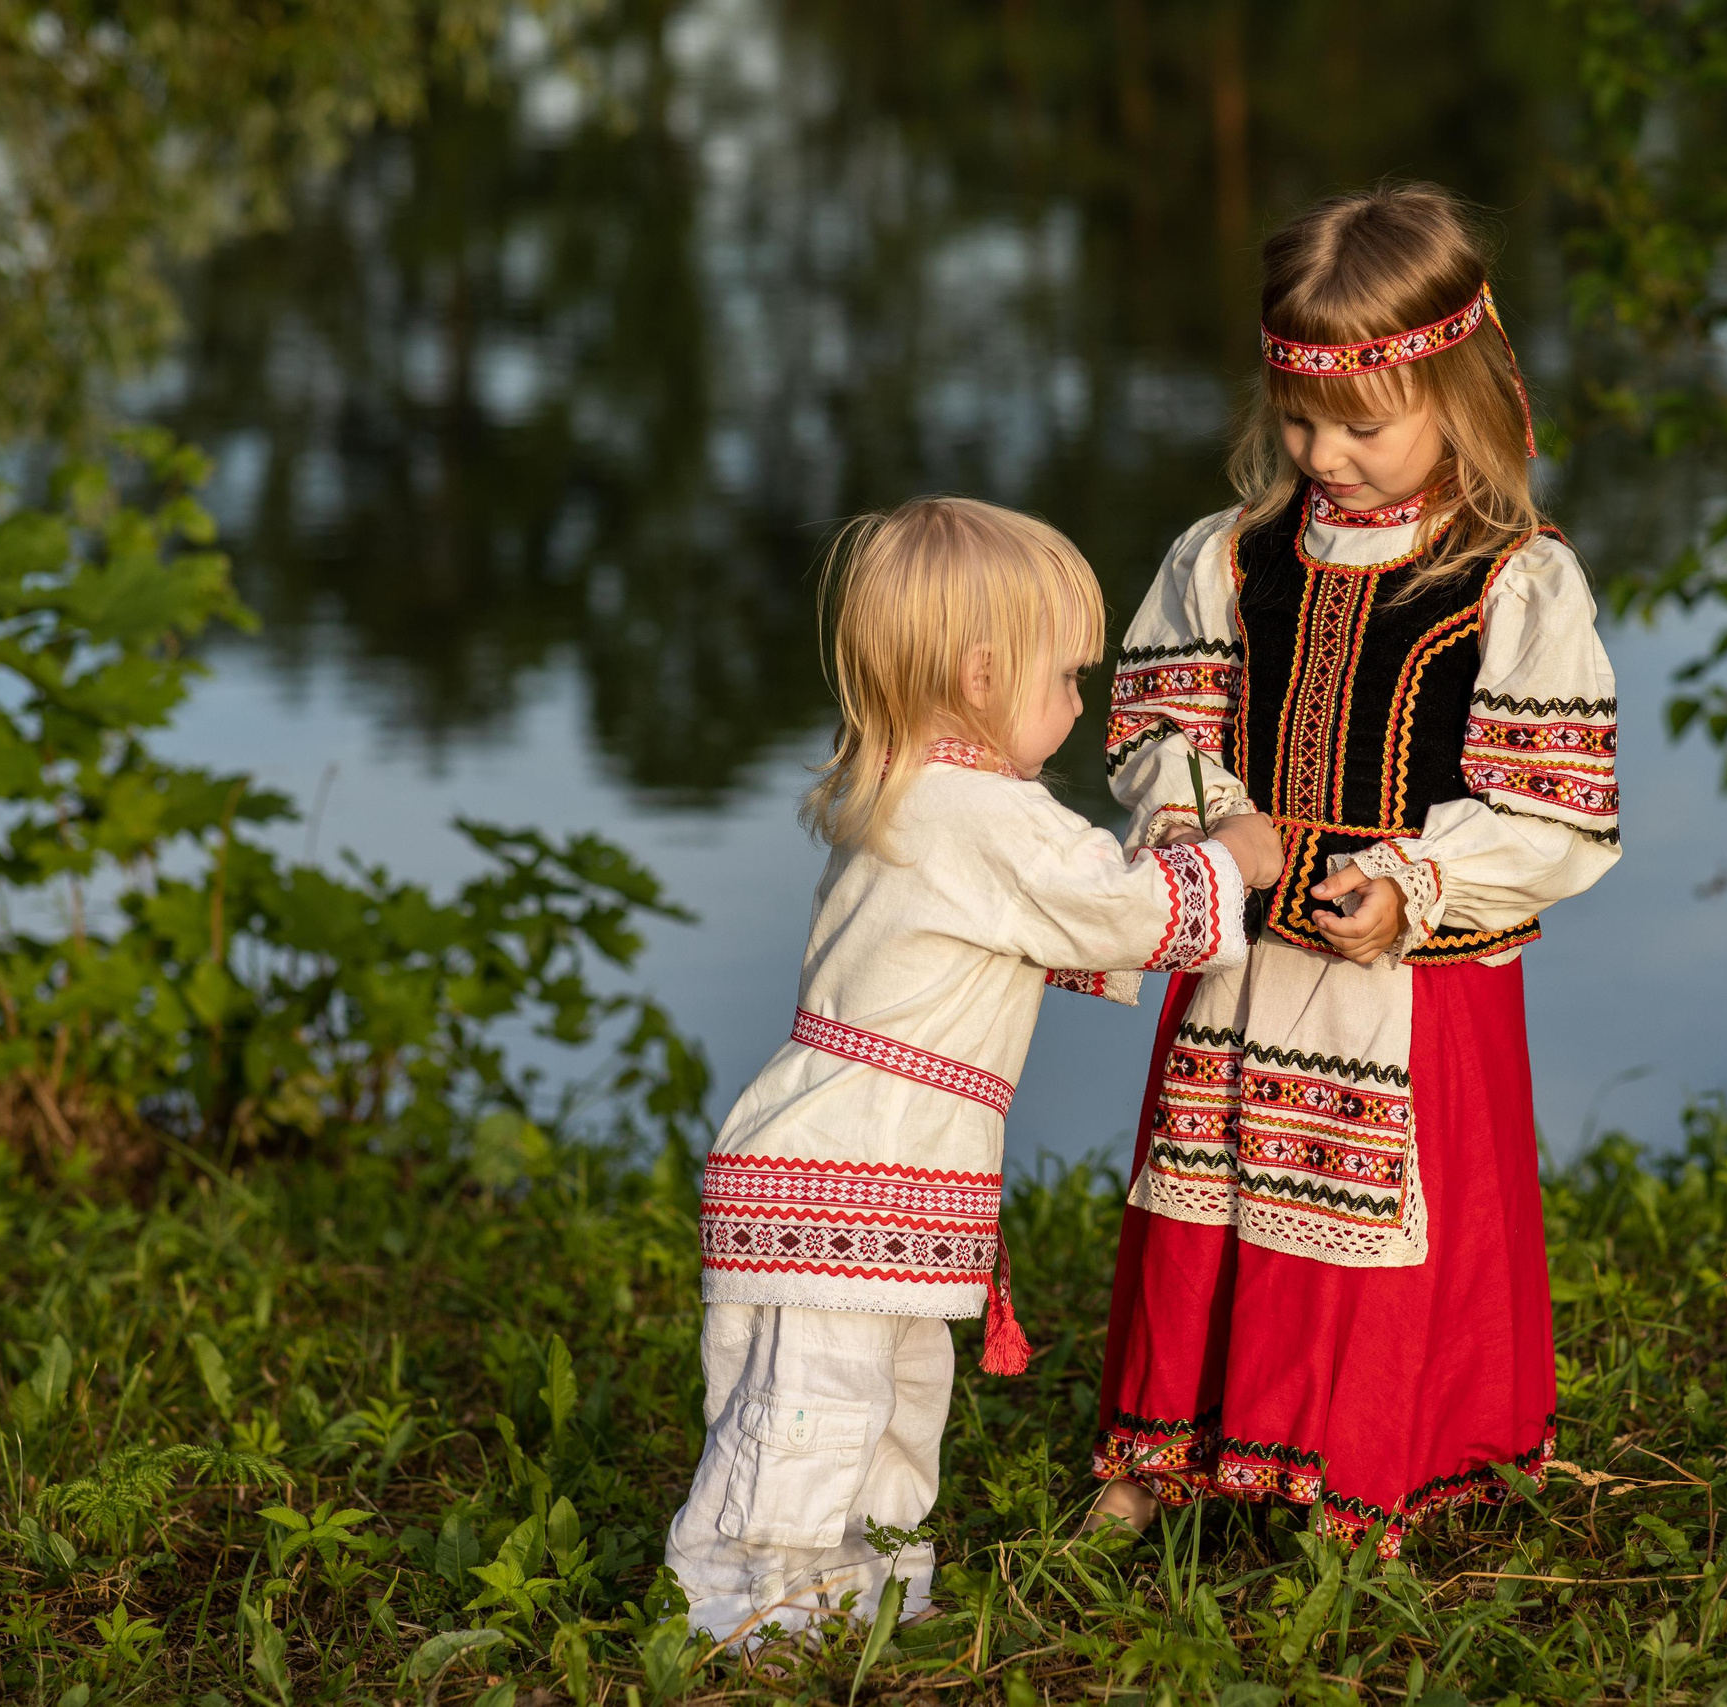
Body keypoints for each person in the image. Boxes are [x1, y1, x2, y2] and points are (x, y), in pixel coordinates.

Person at [1089, 184, 1621, 1557]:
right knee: (1204, 1184)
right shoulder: (1225, 557)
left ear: (1461, 393)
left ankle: (1361, 1460)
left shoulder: (1513, 579)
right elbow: (1155, 732)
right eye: (1301, 418)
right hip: (1244, 947)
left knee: (1379, 1214)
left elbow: (1555, 810)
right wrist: (1210, 824)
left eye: (1363, 424)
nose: (1327, 452)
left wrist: (1418, 885)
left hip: (1409, 969)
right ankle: (1165, 1448)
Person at [662, 496, 1278, 1643]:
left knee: (890, 1402)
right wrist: (1229, 860)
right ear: (984, 674)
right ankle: (755, 1621)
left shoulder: (903, 787)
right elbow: (1122, 913)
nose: (1078, 701)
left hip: (861, 1158)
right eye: (1064, 677)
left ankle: (866, 1602)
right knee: (816, 1415)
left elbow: (1047, 922)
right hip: (856, 1164)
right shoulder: (982, 810)